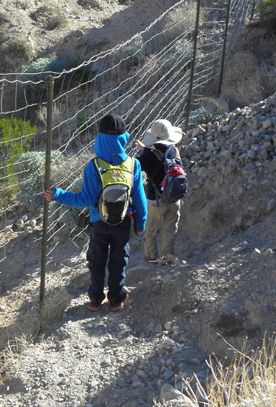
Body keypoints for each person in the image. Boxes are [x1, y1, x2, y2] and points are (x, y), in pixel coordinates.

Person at [44, 113, 147, 312]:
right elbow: (140, 200)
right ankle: (116, 298)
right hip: (123, 222)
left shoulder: (94, 166)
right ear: (124, 137)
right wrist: (140, 225)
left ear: (99, 138)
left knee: (97, 260)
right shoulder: (133, 164)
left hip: (98, 222)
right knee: (119, 260)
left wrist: (58, 195)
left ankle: (95, 300)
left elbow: (87, 199)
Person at [133, 118, 184, 265]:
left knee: (150, 230)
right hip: (174, 197)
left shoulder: (146, 157)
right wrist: (147, 149)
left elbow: (138, 166)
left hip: (154, 200)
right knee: (169, 229)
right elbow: (163, 156)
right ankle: (167, 258)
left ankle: (152, 258)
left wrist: (145, 150)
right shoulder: (175, 150)